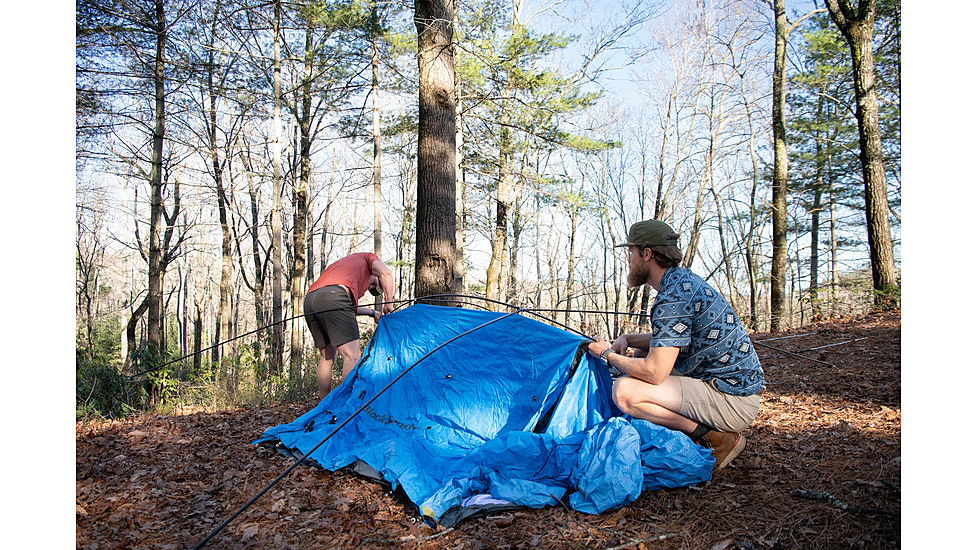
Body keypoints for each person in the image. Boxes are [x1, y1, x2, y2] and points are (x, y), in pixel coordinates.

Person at [587, 220, 764, 471]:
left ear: (647, 254)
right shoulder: (681, 282)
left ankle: (717, 439)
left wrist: (606, 353)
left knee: (625, 391)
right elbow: (670, 338)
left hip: (732, 400)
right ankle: (678, 436)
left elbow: (655, 373)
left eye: (631, 253)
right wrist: (628, 338)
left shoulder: (672, 298)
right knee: (643, 353)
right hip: (734, 389)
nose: (629, 260)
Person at [304, 252, 395, 398]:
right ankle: (344, 407)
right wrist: (388, 302)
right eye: (373, 283)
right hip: (334, 297)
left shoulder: (343, 269)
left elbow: (346, 308)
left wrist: (373, 313)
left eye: (372, 287)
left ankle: (323, 406)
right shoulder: (368, 258)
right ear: (374, 273)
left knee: (327, 357)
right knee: (352, 357)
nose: (369, 286)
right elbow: (387, 273)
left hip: (310, 299)